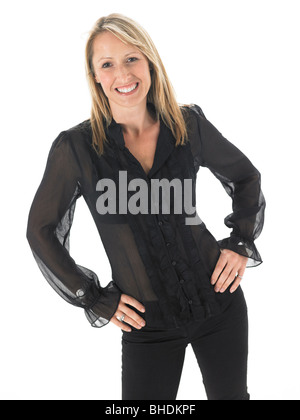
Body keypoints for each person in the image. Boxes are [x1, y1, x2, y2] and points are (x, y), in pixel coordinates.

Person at [26, 13, 266, 401]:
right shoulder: (76, 149)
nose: (123, 73)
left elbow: (245, 177)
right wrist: (93, 297)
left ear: (149, 62)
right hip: (146, 325)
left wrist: (239, 244)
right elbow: (40, 230)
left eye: (132, 58)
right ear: (96, 77)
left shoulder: (187, 124)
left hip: (219, 304)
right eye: (107, 64)